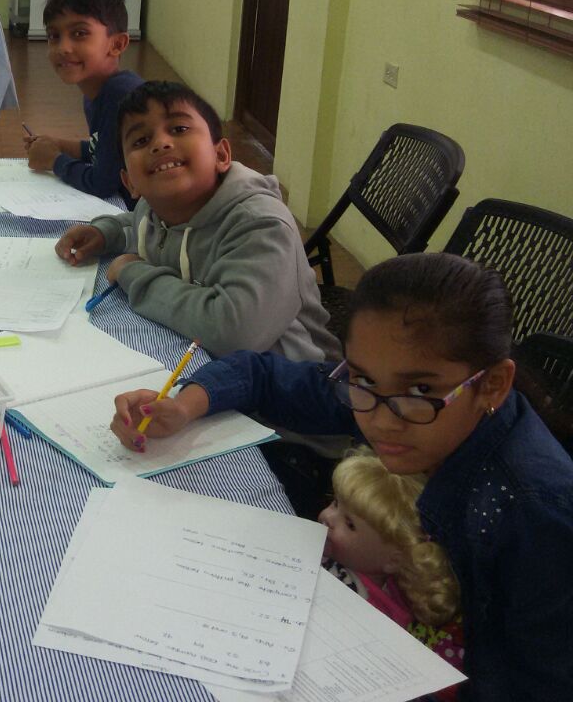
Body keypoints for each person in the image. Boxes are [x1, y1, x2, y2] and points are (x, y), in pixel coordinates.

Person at [109, 253, 573, 702]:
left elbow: (526, 684)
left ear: (492, 385)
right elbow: (259, 373)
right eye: (362, 378)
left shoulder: (535, 516)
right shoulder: (398, 402)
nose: (381, 422)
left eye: (420, 388)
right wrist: (182, 406)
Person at [56, 79, 336, 362]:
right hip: (203, 363)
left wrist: (133, 273)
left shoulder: (262, 225)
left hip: (292, 377)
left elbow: (234, 333)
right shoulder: (152, 208)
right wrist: (106, 233)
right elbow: (139, 225)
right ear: (130, 183)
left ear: (221, 155)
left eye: (179, 129)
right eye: (141, 140)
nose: (161, 144)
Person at [321, 448, 466, 695]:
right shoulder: (334, 552)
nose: (328, 517)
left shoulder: (374, 614)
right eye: (335, 503)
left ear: (393, 560)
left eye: (350, 524)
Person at [24, 0, 143, 201]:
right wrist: (60, 146)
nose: (63, 48)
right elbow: (106, 152)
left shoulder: (121, 96)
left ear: (117, 44)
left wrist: (54, 160)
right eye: (54, 36)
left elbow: (102, 183)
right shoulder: (97, 92)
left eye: (79, 33)